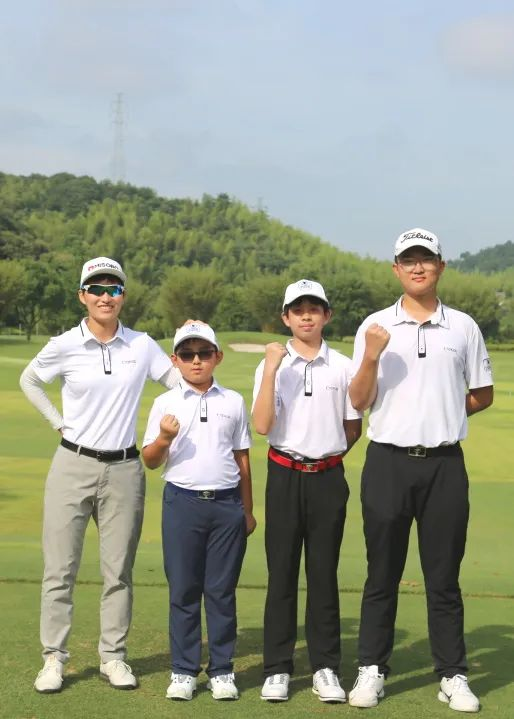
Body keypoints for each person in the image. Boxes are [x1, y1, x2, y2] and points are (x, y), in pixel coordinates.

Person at [20, 256, 182, 693]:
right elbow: (30, 380)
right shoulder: (64, 344)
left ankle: (113, 657)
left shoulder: (142, 345)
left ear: (123, 296)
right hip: (72, 464)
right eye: (96, 289)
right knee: (60, 569)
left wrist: (189, 339)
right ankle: (54, 658)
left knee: (119, 571)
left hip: (125, 468)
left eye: (113, 289)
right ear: (82, 296)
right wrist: (58, 423)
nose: (105, 296)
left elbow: (179, 384)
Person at [348, 229, 493, 713]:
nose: (417, 267)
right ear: (396, 269)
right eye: (408, 260)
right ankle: (372, 668)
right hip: (387, 462)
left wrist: (444, 414)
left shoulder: (463, 327)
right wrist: (372, 354)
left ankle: (452, 674)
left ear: (440, 267)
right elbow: (358, 399)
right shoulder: (374, 325)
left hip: (444, 465)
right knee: (381, 574)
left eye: (426, 259)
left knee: (443, 577)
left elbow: (482, 392)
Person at [252, 279, 362, 703]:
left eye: (314, 308)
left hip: (328, 479)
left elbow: (353, 427)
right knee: (281, 573)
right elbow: (263, 425)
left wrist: (325, 456)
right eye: (298, 309)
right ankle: (277, 668)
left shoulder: (344, 366)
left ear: (326, 315)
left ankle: (325, 668)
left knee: (323, 575)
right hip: (283, 474)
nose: (306, 316)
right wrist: (272, 368)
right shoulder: (272, 364)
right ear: (286, 317)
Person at [142, 322, 256, 702]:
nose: (196, 360)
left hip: (226, 506)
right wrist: (164, 438)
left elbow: (242, 459)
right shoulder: (165, 403)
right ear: (174, 360)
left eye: (204, 353)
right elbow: (150, 460)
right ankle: (184, 670)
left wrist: (248, 511)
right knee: (184, 589)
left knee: (221, 591)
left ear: (217, 357)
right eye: (187, 354)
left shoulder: (233, 401)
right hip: (182, 504)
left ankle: (222, 670)